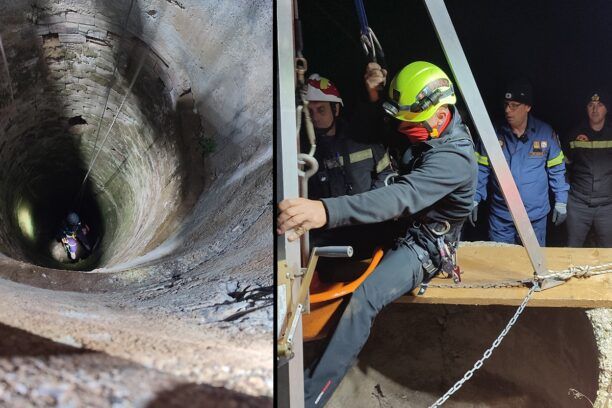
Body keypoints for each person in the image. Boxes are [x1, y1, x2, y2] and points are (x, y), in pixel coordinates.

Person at [277, 61, 477, 407]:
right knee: (323, 244)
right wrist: (374, 95)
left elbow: (401, 197)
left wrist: (325, 210)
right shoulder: (429, 128)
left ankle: (310, 396)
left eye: (409, 123)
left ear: (440, 114)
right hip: (404, 224)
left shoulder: (454, 159)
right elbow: (379, 129)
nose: (402, 127)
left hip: (425, 244)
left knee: (366, 299)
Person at [470, 78, 569, 246]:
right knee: (502, 265)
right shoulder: (492, 133)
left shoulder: (544, 133)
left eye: (514, 105)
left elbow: (557, 169)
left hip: (534, 218)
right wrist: (473, 198)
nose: (508, 110)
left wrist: (561, 201)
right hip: (502, 217)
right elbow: (481, 169)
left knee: (534, 267)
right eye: (506, 104)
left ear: (528, 107)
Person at [303, 73, 394, 199]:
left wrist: (370, 204)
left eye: (321, 109)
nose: (315, 117)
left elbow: (386, 173)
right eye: (310, 111)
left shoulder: (362, 137)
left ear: (336, 109)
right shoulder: (304, 151)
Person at [565, 91, 612, 247]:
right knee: (572, 250)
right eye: (591, 105)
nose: (595, 109)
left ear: (607, 109)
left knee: (608, 253)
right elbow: (564, 167)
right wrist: (564, 196)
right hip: (578, 205)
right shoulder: (573, 134)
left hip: (608, 206)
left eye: (600, 105)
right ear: (586, 108)